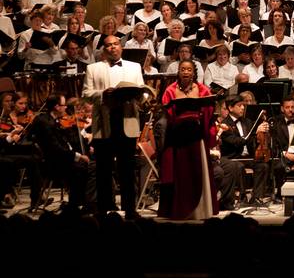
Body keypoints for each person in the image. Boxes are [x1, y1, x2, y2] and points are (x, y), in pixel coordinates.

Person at [82, 34, 145, 219]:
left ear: (121, 47)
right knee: (103, 169)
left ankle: (130, 210)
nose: (112, 47)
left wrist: (140, 96)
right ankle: (103, 210)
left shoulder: (134, 67)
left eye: (116, 44)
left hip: (127, 121)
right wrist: (103, 93)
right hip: (104, 122)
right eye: (108, 45)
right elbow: (86, 94)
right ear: (104, 49)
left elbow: (141, 91)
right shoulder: (93, 68)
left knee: (127, 169)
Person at [159, 59, 218, 220]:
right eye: (182, 69)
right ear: (178, 72)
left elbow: (209, 111)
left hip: (196, 135)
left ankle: (200, 209)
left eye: (188, 70)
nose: (185, 72)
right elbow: (166, 110)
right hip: (177, 136)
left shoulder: (202, 89)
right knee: (180, 173)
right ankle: (180, 209)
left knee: (197, 170)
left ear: (194, 72)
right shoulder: (170, 90)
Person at [31, 93, 92, 212]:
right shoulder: (46, 123)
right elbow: (56, 149)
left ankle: (81, 202)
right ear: (57, 107)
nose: (66, 108)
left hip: (60, 159)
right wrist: (78, 156)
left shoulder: (53, 120)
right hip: (52, 164)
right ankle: (75, 206)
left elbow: (66, 142)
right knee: (83, 168)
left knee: (87, 165)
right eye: (64, 105)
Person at [218, 95, 270, 205]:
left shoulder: (248, 122)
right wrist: (255, 132)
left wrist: (261, 134)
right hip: (233, 158)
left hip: (248, 156)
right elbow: (237, 142)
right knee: (239, 166)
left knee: (262, 165)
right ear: (230, 108)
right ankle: (243, 197)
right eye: (239, 105)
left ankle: (256, 197)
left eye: (243, 105)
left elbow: (253, 141)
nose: (242, 108)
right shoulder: (225, 125)